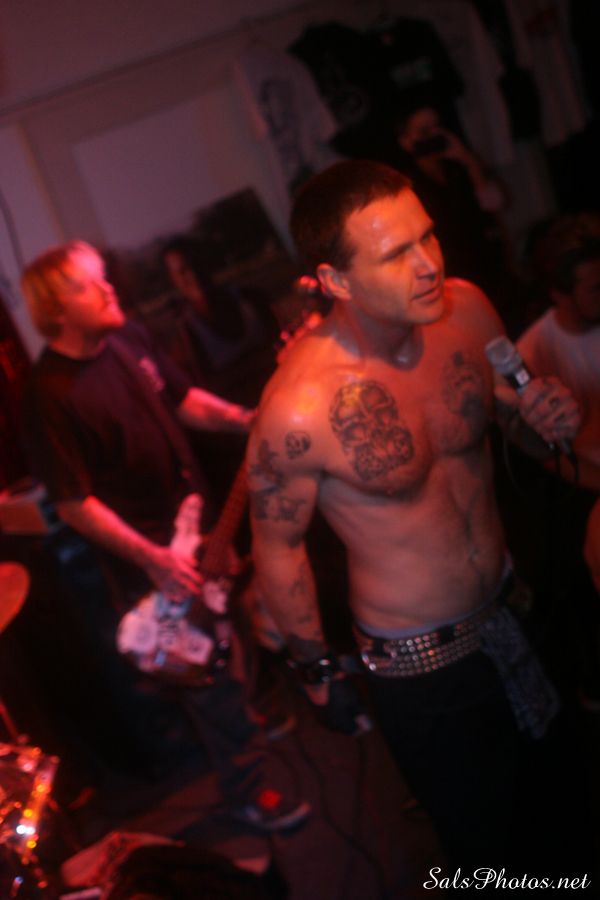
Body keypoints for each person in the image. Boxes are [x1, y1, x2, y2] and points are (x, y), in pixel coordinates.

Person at [246, 161, 585, 870]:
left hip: (515, 609)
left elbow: (506, 420)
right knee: (487, 858)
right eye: (396, 254)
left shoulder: (468, 311)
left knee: (564, 815)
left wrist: (542, 417)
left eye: (427, 237)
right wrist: (316, 671)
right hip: (423, 666)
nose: (429, 264)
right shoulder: (298, 407)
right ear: (336, 280)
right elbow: (278, 545)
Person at [20, 240, 310, 834]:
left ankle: (252, 719)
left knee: (237, 638)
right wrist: (152, 558)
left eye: (103, 276)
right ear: (57, 308)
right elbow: (73, 503)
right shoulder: (48, 395)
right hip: (153, 564)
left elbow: (182, 400)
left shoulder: (126, 339)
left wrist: (244, 420)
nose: (109, 288)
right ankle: (248, 791)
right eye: (89, 283)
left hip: (202, 532)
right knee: (207, 680)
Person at [516, 212, 600, 708]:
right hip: (581, 485)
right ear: (559, 294)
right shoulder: (533, 354)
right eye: (594, 288)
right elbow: (549, 459)